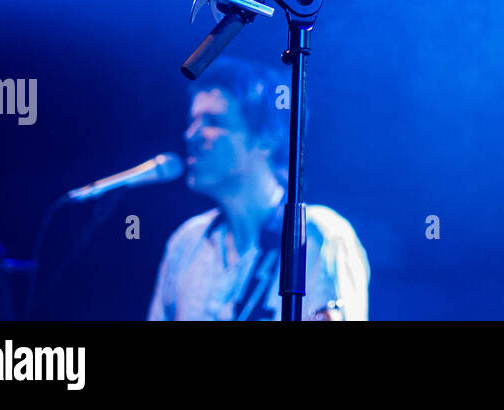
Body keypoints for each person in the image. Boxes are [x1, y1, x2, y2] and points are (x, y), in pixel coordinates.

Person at [147, 56, 369, 320]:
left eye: (213, 122)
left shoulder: (320, 237)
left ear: (266, 137)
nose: (191, 135)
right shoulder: (185, 242)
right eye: (192, 121)